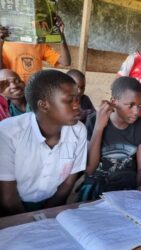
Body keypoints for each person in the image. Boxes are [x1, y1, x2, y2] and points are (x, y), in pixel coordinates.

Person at [0, 70, 86, 216]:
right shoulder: (9, 132)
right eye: (69, 100)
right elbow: (8, 198)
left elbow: (67, 184)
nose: (77, 105)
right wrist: (30, 222)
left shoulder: (78, 131)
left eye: (78, 99)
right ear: (44, 105)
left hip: (53, 205)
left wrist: (44, 216)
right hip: (10, 210)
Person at [79, 76, 141, 201]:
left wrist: (140, 188)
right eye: (131, 105)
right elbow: (90, 168)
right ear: (114, 101)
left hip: (127, 186)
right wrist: (99, 127)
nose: (136, 111)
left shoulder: (140, 125)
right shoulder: (93, 121)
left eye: (140, 105)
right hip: (98, 188)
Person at [0, 16, 71, 83]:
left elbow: (66, 62)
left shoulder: (39, 44)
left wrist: (60, 35)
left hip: (33, 92)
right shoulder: (4, 43)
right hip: (13, 91)